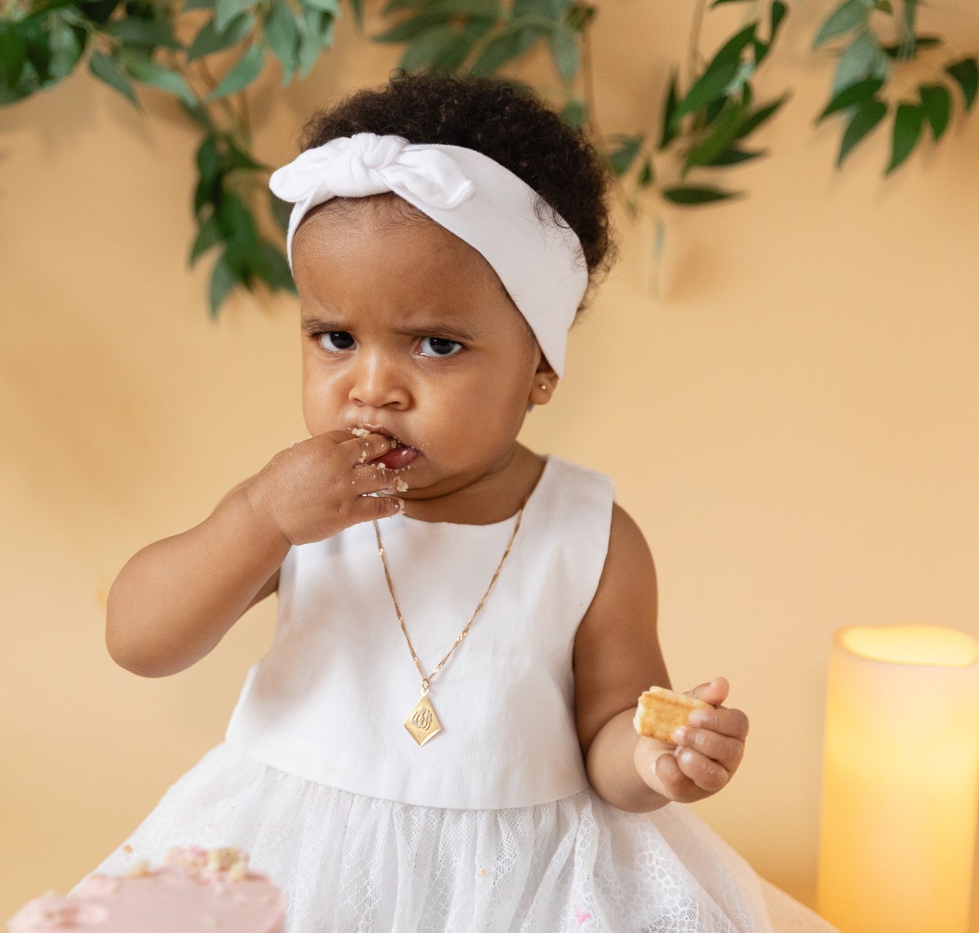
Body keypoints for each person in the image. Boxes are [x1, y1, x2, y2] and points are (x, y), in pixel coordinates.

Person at [76, 71, 837, 932]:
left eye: (436, 345)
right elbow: (139, 639)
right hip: (299, 858)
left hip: (516, 885)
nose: (372, 387)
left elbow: (609, 736)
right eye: (336, 338)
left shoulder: (588, 535)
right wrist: (256, 517)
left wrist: (657, 758)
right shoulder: (297, 506)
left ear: (539, 366)